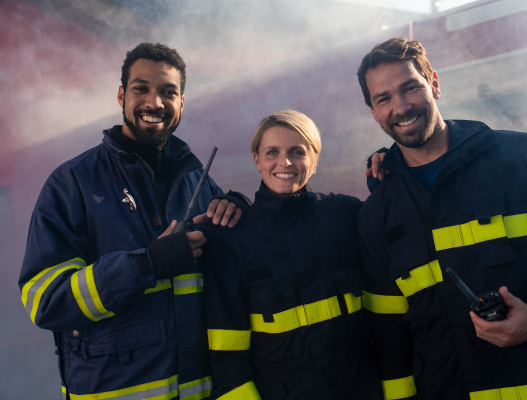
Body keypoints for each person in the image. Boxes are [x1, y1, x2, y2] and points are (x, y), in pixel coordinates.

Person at [356, 37, 527, 399]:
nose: (401, 106)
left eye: (411, 88)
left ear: (434, 83)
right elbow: (390, 333)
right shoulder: (377, 213)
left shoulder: (519, 155)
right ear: (373, 111)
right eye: (384, 98)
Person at [18, 42, 248, 400]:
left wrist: (238, 206)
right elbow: (46, 301)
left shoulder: (196, 179)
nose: (154, 103)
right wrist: (146, 265)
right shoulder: (72, 184)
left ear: (181, 103)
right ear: (122, 95)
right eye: (141, 88)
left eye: (168, 92)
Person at [204, 110, 382, 399]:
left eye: (297, 152)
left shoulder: (346, 216)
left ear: (313, 160)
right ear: (257, 160)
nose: (284, 162)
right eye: (272, 152)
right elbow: (227, 359)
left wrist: (393, 165)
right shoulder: (232, 240)